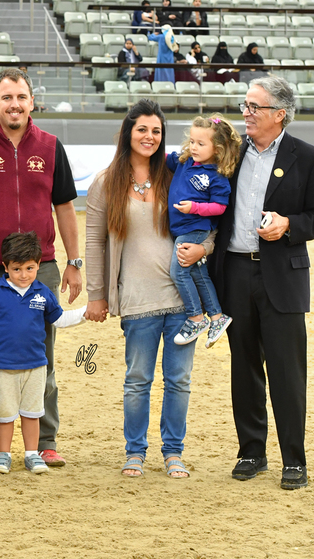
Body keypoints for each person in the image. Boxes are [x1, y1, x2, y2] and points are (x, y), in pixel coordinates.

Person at [0, 68, 81, 471]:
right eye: (7, 97)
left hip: (40, 269)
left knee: (41, 359)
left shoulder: (51, 146)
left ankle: (44, 441)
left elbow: (64, 207)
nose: (14, 104)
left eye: (21, 97)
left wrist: (74, 262)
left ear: (31, 101)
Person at [85, 99, 211, 479]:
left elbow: (210, 223)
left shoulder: (179, 178)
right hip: (137, 300)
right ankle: (134, 452)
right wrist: (97, 294)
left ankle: (173, 451)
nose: (149, 136)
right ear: (128, 132)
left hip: (182, 301)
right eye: (142, 129)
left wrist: (205, 247)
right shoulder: (106, 182)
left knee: (180, 380)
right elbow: (94, 242)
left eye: (156, 130)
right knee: (137, 380)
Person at [208, 77, 314, 490]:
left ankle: (294, 460)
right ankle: (251, 451)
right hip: (233, 272)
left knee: (287, 371)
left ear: (279, 113)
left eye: (255, 106)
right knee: (244, 366)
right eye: (245, 105)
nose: (246, 113)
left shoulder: (304, 156)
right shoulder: (229, 154)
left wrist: (291, 225)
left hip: (282, 276)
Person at [0, 232, 85, 476]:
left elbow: (60, 319)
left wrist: (86, 312)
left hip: (35, 366)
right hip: (2, 366)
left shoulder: (43, 293)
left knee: (32, 413)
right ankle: (4, 454)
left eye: (30, 268)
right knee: (4, 414)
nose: (24, 275)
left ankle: (32, 454)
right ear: (5, 267)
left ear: (39, 265)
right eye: (17, 268)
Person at [166, 115, 241, 347]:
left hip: (196, 228)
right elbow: (164, 159)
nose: (194, 147)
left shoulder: (217, 176)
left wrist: (194, 208)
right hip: (182, 229)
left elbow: (219, 207)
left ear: (217, 149)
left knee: (178, 272)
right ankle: (217, 317)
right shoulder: (184, 161)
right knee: (198, 273)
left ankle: (196, 317)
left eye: (201, 143)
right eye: (192, 141)